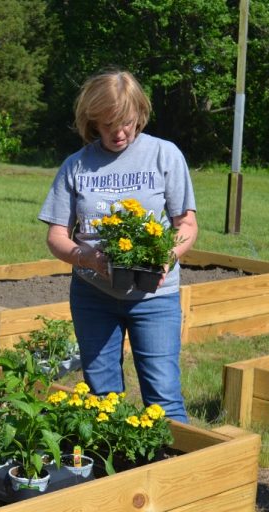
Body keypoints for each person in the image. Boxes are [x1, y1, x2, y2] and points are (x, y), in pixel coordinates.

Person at [38, 69, 198, 422]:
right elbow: (56, 236)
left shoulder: (164, 156)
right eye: (108, 124)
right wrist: (87, 257)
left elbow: (185, 224)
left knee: (164, 399)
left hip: (154, 297)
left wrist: (165, 257)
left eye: (126, 122)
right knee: (101, 398)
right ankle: (113, 472)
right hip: (93, 295)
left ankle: (174, 473)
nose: (119, 132)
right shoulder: (76, 165)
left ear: (139, 113)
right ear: (92, 120)